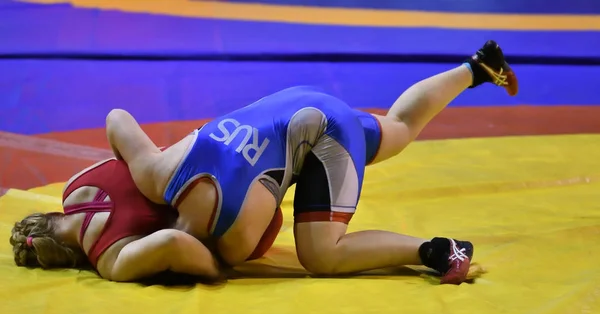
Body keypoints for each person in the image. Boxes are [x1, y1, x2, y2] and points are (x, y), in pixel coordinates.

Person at [103, 40, 518, 285]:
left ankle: (439, 251)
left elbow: (261, 237)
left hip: (321, 133)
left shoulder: (232, 243)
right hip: (295, 103)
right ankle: (475, 69)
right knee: (399, 128)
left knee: (321, 255)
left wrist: (205, 267)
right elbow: (116, 117)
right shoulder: (158, 174)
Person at [9, 157, 225, 282]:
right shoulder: (75, 183)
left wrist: (219, 271)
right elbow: (138, 156)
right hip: (210, 150)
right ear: (52, 215)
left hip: (227, 206)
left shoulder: (109, 261)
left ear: (67, 258)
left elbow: (171, 242)